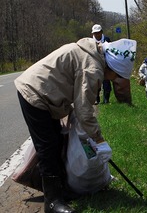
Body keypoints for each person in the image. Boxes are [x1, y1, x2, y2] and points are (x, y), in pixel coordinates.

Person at [14, 38, 112, 213]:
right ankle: (52, 202)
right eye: (117, 77)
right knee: (47, 147)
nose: (113, 80)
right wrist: (99, 139)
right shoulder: (93, 67)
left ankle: (59, 190)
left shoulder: (91, 55)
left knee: (57, 140)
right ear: (113, 69)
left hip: (44, 94)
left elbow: (79, 101)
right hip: (35, 93)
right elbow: (84, 111)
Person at [92, 24, 112, 104]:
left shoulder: (107, 39)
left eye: (98, 32)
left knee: (106, 83)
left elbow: (111, 51)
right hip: (95, 64)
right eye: (95, 33)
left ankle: (106, 99)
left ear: (101, 32)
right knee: (96, 83)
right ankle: (96, 98)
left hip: (106, 64)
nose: (97, 34)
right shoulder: (90, 41)